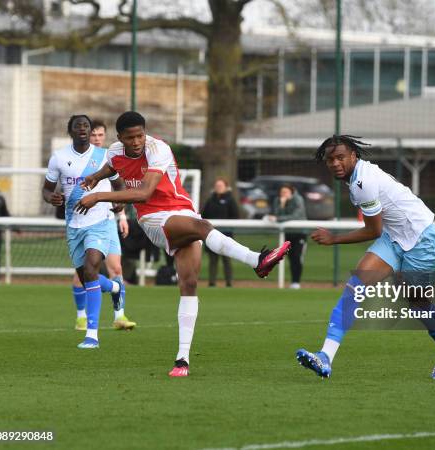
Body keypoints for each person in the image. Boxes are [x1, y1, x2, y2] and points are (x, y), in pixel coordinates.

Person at [75, 111, 291, 377]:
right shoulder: (115, 151)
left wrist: (99, 196)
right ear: (120, 138)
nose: (136, 141)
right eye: (130, 137)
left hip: (183, 212)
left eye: (140, 135)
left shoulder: (158, 148)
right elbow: (115, 168)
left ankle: (182, 359)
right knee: (202, 229)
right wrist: (96, 176)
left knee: (188, 285)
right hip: (153, 220)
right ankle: (256, 260)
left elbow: (143, 191)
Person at [295, 135, 435, 379]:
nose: (335, 163)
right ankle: (325, 357)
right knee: (355, 289)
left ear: (354, 156)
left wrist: (334, 239)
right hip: (394, 237)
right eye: (330, 159)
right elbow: (381, 229)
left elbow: (373, 230)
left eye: (341, 157)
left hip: (423, 240)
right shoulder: (356, 178)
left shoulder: (363, 182)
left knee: (418, 304)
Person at [43, 115, 128, 349]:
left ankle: (92, 335)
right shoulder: (59, 158)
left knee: (92, 267)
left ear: (90, 131)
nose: (83, 129)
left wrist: (120, 204)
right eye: (78, 125)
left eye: (86, 126)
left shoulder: (104, 157)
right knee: (85, 277)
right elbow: (47, 190)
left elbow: (119, 185)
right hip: (73, 225)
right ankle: (115, 287)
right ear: (70, 131)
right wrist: (53, 198)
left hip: (99, 222)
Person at [68, 118, 135, 332]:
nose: (96, 138)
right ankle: (81, 316)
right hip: (81, 223)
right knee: (83, 273)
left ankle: (119, 315)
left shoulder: (109, 157)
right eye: (93, 134)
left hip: (106, 221)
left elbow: (118, 188)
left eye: (99, 135)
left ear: (105, 136)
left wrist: (122, 216)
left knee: (115, 267)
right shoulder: (76, 158)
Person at [267, 184, 307, 289]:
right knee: (289, 257)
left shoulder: (298, 200)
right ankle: (292, 282)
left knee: (297, 257)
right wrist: (282, 205)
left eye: (285, 192)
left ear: (291, 192)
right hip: (286, 233)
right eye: (282, 192)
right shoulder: (278, 200)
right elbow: (276, 214)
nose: (283, 194)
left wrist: (278, 218)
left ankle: (296, 282)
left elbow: (296, 216)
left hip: (299, 233)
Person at [201, 178, 239, 287]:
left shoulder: (230, 200)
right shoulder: (210, 200)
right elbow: (204, 215)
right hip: (211, 235)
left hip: (226, 235)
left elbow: (235, 216)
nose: (218, 188)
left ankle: (229, 282)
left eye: (221, 186)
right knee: (213, 260)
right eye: (217, 186)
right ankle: (212, 282)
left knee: (226, 260)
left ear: (226, 187)